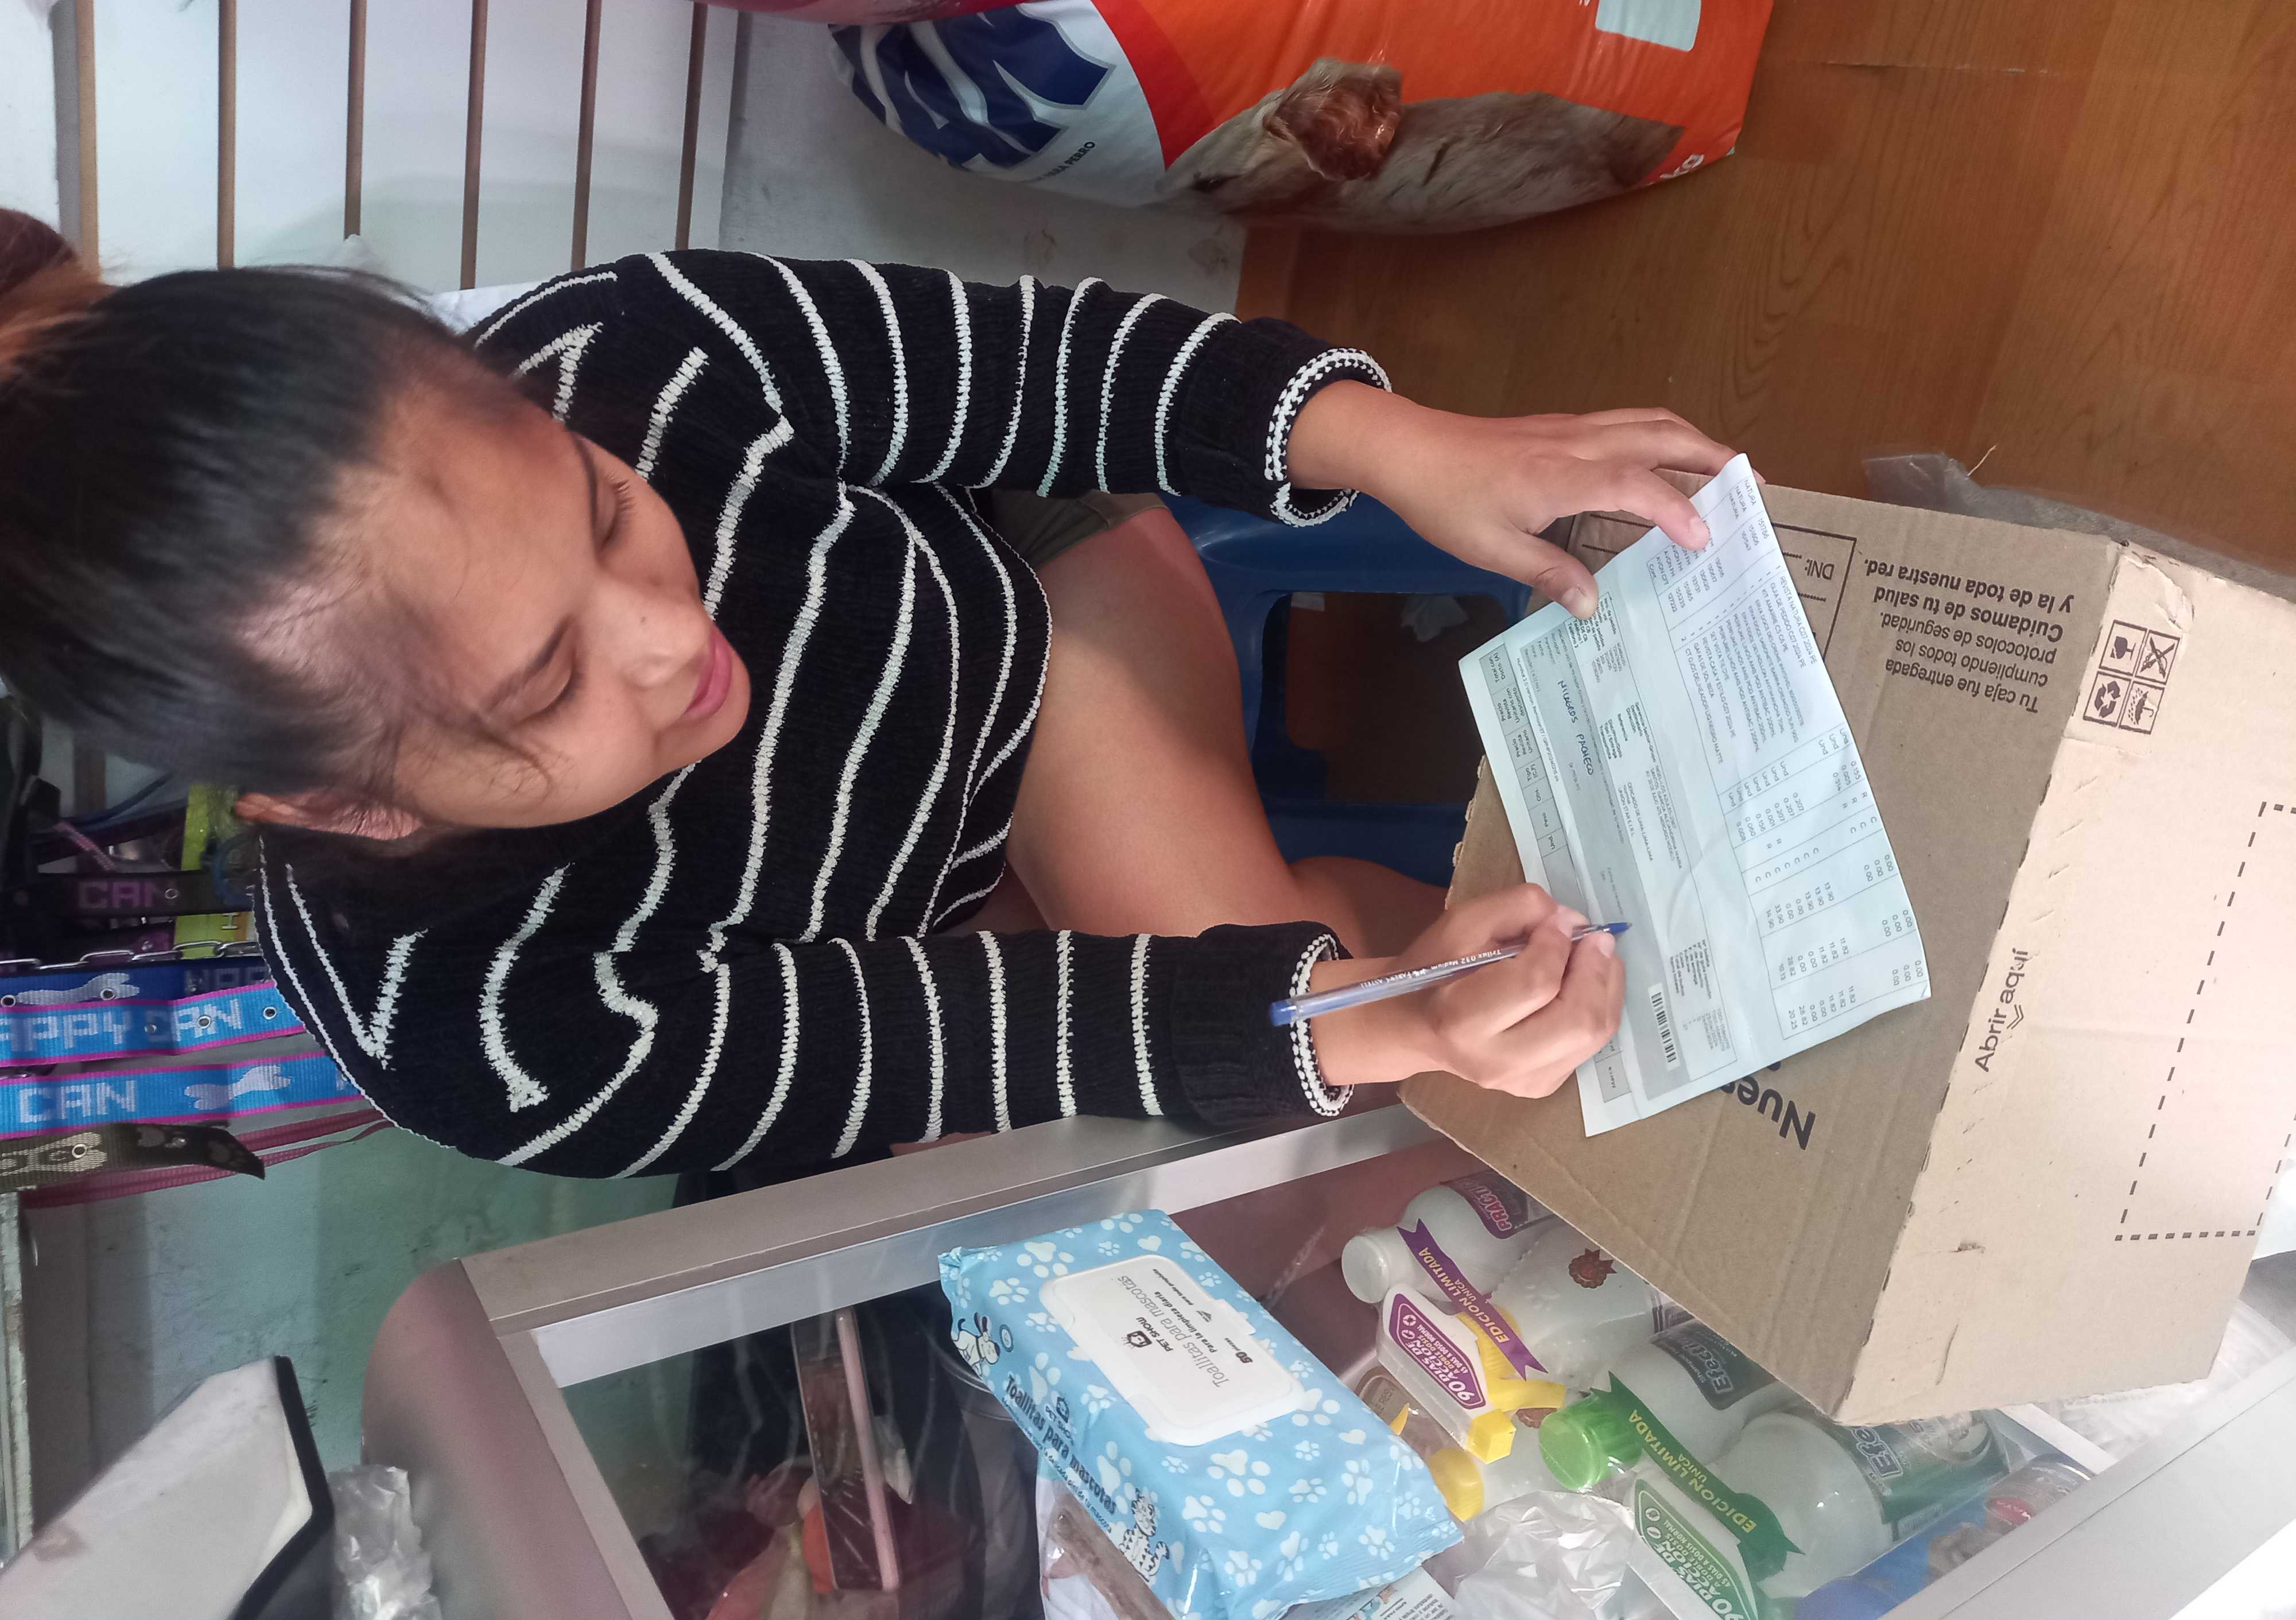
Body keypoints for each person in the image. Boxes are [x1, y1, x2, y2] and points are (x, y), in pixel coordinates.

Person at [0, 209, 1729, 1181]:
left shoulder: (629, 353)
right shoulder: (488, 1033)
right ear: (352, 802)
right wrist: (1394, 1025)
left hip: (1007, 617)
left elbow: (1047, 368)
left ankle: (1527, 954)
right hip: (892, 916)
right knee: (1212, 1095)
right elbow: (975, 1039)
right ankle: (1455, 975)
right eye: (549, 679)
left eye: (603, 506)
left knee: (1273, 966)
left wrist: (1412, 446)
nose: (670, 634)